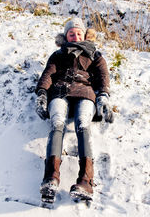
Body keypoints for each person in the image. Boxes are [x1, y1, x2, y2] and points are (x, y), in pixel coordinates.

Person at [35, 18, 113, 202]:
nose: (75, 36)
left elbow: (103, 77)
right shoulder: (58, 55)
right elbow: (48, 74)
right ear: (66, 36)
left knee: (82, 125)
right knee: (57, 124)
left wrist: (103, 97)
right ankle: (50, 178)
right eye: (71, 33)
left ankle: (86, 180)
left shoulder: (95, 55)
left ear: (84, 35)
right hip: (60, 92)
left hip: (85, 94)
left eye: (78, 33)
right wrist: (42, 93)